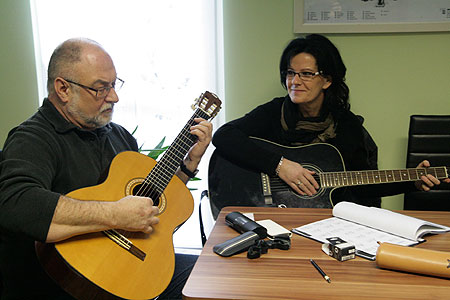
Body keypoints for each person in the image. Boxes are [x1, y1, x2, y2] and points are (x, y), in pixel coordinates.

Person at [0, 38, 212, 299]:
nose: (114, 97)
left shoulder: (119, 136)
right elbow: (17, 204)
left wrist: (188, 165)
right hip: (57, 284)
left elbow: (149, 204)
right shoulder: (32, 138)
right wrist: (115, 214)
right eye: (100, 89)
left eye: (114, 84)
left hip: (124, 267)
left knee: (210, 277)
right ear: (63, 89)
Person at [212, 34, 448, 209]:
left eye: (306, 74)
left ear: (326, 80)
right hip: (271, 217)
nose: (295, 81)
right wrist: (281, 165)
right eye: (290, 73)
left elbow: (365, 182)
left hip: (320, 222)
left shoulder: (346, 125)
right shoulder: (275, 112)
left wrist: (412, 180)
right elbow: (224, 136)